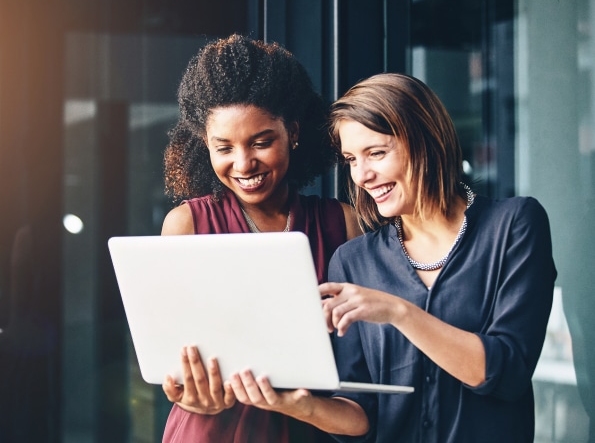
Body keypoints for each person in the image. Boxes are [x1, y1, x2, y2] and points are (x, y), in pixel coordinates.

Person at [221, 73, 558, 442]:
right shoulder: (353, 261)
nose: (362, 175)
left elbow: (506, 372)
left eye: (376, 153)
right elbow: (361, 415)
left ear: (425, 141)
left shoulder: (514, 225)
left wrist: (398, 312)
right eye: (351, 158)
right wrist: (296, 404)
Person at [159, 34, 360, 443]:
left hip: (310, 425)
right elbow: (172, 360)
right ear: (204, 147)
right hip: (210, 431)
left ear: (294, 132)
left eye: (261, 142)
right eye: (224, 148)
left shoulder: (342, 223)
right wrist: (189, 395)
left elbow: (361, 360)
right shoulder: (186, 224)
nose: (243, 163)